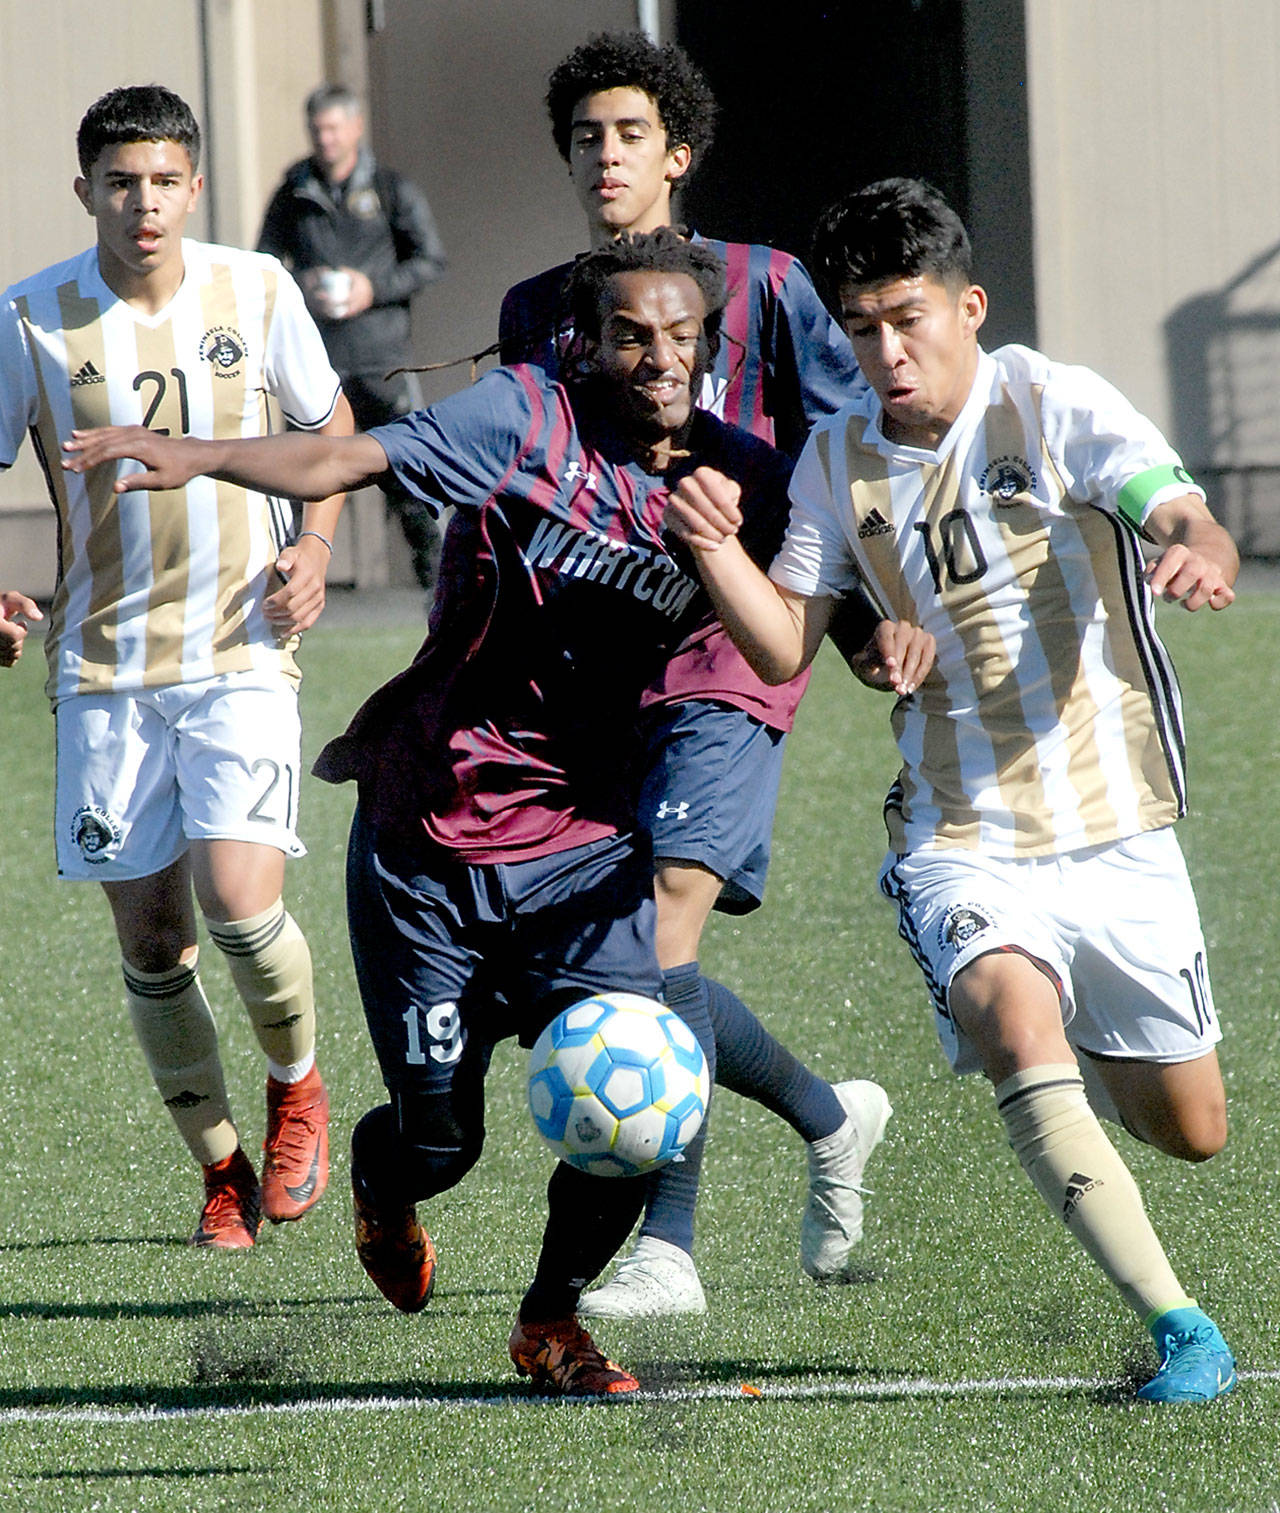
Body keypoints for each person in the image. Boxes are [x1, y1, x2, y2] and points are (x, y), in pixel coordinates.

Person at [64, 229, 925, 1396]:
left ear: (710, 345)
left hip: (584, 849)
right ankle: (382, 1190)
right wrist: (195, 453)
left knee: (647, 1100)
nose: (657, 358)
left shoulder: (741, 474)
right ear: (590, 341)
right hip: (429, 836)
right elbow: (344, 462)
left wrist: (829, 609)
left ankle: (550, 1320)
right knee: (439, 1142)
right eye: (630, 335)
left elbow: (800, 617)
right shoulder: (526, 416)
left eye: (681, 337)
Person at [664, 177, 1239, 1405]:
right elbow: (782, 643)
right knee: (1008, 1019)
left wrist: (1192, 542)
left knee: (1191, 1129)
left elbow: (1171, 503)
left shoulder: (1051, 401)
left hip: (1113, 821)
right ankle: (1180, 1326)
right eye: (859, 327)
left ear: (967, 306)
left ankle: (1070, 1058)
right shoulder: (836, 459)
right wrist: (717, 549)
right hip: (957, 829)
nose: (885, 350)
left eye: (906, 318)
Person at [500, 31, 891, 1318]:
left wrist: (858, 615)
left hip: (733, 638)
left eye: (628, 135)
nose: (604, 157)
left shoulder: (764, 284)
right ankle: (825, 1117)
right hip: (596, 658)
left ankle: (664, 1246)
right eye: (583, 137)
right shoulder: (535, 311)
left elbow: (843, 451)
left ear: (676, 152)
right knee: (609, 957)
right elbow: (524, 482)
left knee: (662, 915)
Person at [0, 85, 350, 1250]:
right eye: (119, 182)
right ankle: (221, 1172)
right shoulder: (33, 315)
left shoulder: (255, 289)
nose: (142, 203)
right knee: (153, 946)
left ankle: (298, 1087)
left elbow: (328, 431)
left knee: (242, 908)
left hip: (239, 649)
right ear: (85, 190)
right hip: (101, 668)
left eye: (162, 181)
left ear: (192, 186)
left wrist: (311, 549)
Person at [258, 83, 447, 594]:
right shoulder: (293, 191)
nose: (325, 140)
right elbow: (264, 264)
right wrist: (305, 288)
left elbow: (430, 261)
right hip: (318, 363)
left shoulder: (391, 188)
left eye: (334, 129)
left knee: (409, 481)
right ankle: (287, 587)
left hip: (382, 361)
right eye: (317, 130)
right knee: (301, 477)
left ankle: (439, 594)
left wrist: (372, 288)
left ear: (355, 129)